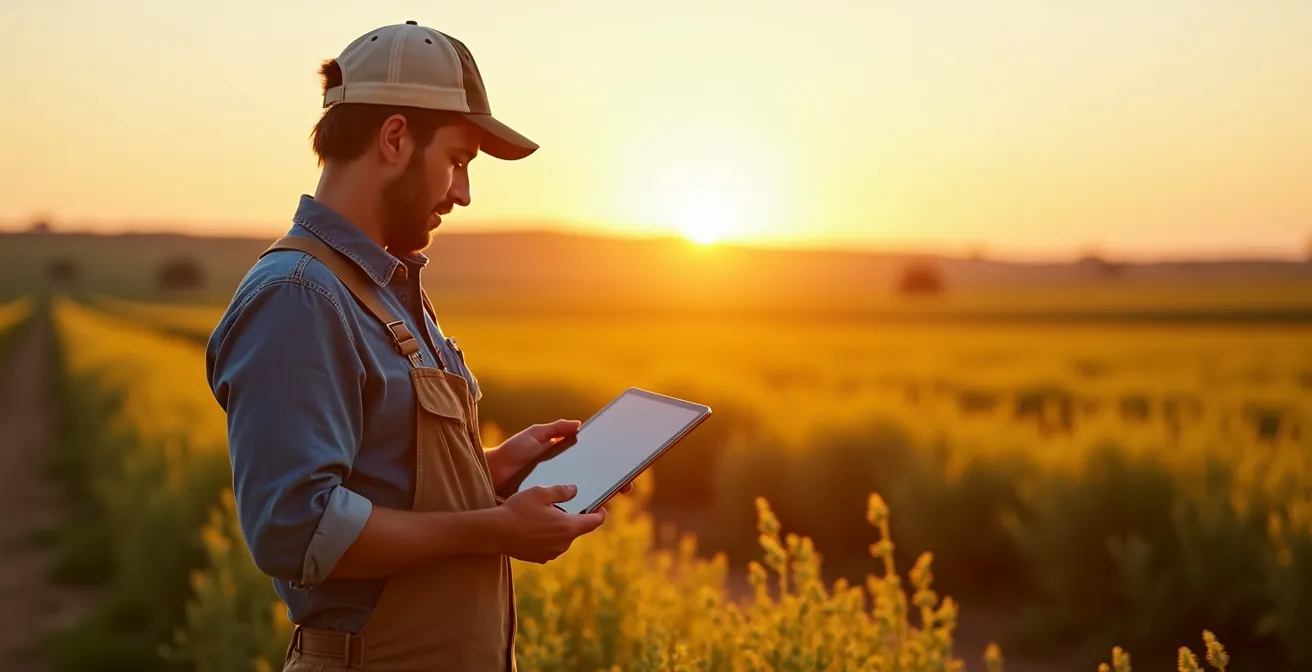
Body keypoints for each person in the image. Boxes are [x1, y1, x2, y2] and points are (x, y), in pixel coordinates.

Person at [204, 20, 627, 671]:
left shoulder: (383, 288)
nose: (463, 193)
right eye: (457, 161)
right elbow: (299, 529)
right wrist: (496, 528)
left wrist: (490, 470)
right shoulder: (300, 296)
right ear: (395, 138)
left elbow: (384, 485)